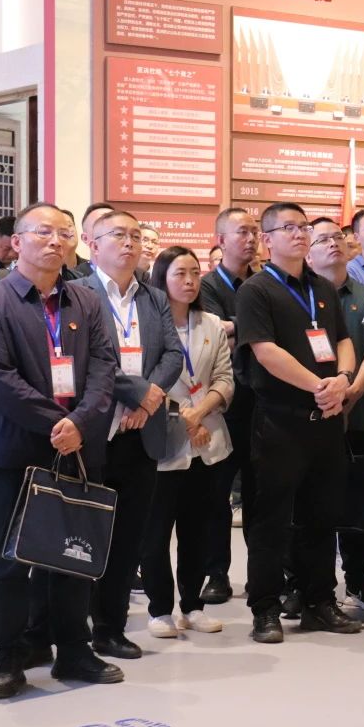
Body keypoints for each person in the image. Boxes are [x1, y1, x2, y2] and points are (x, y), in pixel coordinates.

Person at [0, 202, 121, 698]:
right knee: (13, 560)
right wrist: (59, 422)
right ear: (17, 242)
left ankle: (74, 650)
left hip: (78, 449)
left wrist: (81, 423)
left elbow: (104, 367)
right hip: (17, 449)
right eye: (43, 232)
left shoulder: (86, 301)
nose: (56, 241)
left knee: (74, 554)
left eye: (64, 233)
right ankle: (9, 658)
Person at [238, 202, 360, 642]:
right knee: (270, 520)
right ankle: (265, 608)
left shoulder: (322, 286)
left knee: (322, 517)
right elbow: (265, 352)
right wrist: (318, 385)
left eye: (303, 227)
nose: (299, 234)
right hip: (280, 421)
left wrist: (342, 379)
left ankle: (319, 602)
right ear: (267, 239)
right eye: (287, 227)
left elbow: (343, 340)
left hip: (326, 420)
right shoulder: (255, 290)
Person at [79, 210, 183, 661]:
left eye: (135, 236)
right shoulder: (78, 293)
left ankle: (111, 628)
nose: (129, 243)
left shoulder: (154, 297)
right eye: (118, 235)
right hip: (96, 432)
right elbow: (92, 360)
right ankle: (71, 626)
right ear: (93, 245)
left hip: (142, 432)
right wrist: (141, 395)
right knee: (86, 536)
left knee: (128, 539)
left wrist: (149, 400)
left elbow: (173, 354)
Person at [141, 247, 233, 640]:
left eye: (195, 272)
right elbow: (143, 380)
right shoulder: (148, 325)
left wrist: (201, 411)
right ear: (162, 278)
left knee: (198, 529)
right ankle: (160, 609)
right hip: (163, 440)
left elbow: (225, 377)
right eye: (180, 273)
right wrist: (185, 415)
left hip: (208, 440)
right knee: (156, 532)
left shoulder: (210, 323)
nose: (190, 281)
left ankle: (193, 606)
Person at [305, 216, 364, 611]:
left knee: (358, 505)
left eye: (337, 236)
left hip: (360, 416)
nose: (333, 243)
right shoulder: (298, 295)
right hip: (311, 417)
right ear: (307, 253)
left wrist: (352, 392)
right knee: (309, 505)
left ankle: (358, 580)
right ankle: (304, 584)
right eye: (321, 239)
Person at [198, 207, 260, 604]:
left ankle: (263, 575)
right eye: (242, 232)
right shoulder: (206, 285)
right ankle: (216, 574)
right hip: (222, 402)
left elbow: (265, 331)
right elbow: (213, 332)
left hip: (262, 401)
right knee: (216, 494)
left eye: (255, 231)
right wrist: (250, 326)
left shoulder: (267, 280)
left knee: (260, 493)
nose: (251, 239)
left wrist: (236, 326)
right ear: (221, 240)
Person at [74, 202, 116, 277]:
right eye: (100, 225)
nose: (110, 231)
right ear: (85, 238)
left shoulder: (137, 276)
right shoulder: (72, 278)